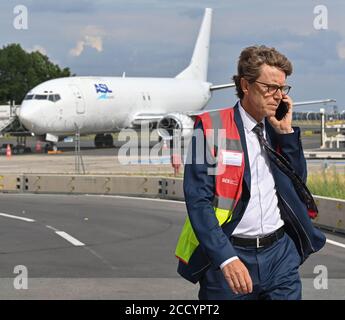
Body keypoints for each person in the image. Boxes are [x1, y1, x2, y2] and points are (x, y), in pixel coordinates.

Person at [175, 45, 326, 300]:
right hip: (231, 254)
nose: (277, 96)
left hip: (279, 256)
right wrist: (225, 258)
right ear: (246, 85)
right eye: (269, 87)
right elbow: (198, 200)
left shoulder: (278, 129)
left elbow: (299, 185)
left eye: (282, 89)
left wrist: (287, 134)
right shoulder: (211, 128)